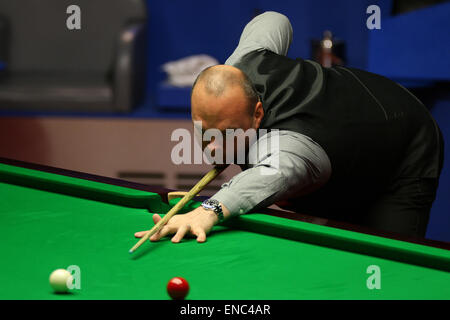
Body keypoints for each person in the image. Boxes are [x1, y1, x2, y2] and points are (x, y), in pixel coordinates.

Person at [135, 11, 444, 243]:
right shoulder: (245, 61)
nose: (213, 146)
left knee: (385, 262)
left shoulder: (287, 146)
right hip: (346, 140)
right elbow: (273, 20)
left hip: (405, 144)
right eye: (204, 130)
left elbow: (274, 173)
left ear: (257, 114)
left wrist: (208, 211)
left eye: (227, 132)